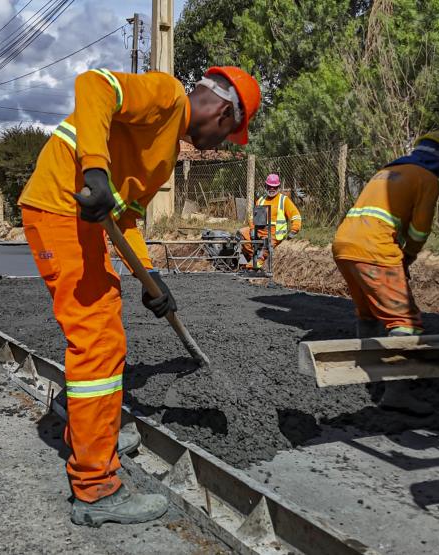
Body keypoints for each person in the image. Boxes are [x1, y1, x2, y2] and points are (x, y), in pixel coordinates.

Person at [17, 66, 261, 526]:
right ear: (225, 112)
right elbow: (94, 85)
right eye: (230, 135)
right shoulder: (166, 97)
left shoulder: (165, 152)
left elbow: (124, 218)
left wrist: (150, 277)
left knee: (105, 336)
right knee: (98, 341)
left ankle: (92, 431)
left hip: (79, 218)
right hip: (60, 207)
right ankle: (96, 489)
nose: (222, 144)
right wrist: (94, 170)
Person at [331, 131, 439, 415]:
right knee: (405, 322)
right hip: (375, 249)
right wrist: (408, 256)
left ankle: (365, 372)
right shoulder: (427, 179)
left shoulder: (387, 171)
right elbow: (420, 230)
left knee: (369, 314)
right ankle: (397, 393)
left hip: (344, 245)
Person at [237, 173, 302, 271]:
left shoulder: (283, 200)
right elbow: (252, 217)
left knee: (267, 244)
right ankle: (251, 258)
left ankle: (256, 264)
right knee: (241, 234)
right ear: (266, 186)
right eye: (269, 186)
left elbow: (295, 215)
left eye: (274, 187)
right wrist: (252, 229)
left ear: (278, 187)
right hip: (259, 231)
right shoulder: (261, 200)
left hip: (274, 234)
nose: (272, 189)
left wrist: (294, 230)